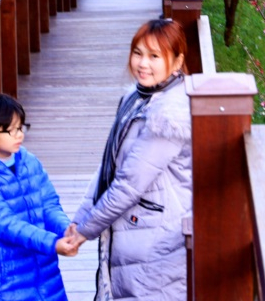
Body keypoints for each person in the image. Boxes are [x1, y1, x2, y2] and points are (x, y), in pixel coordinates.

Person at [68, 18, 192, 301]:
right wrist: (80, 219)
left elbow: (129, 184)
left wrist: (85, 231)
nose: (142, 63)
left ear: (176, 62)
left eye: (154, 56)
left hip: (157, 238)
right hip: (135, 229)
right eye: (138, 53)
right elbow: (108, 168)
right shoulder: (135, 98)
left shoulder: (169, 114)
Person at [0, 93, 79, 301]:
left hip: (43, 271)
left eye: (21, 127)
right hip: (4, 278)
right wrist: (52, 243)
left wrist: (65, 229)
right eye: (10, 130)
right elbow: (4, 224)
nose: (19, 135)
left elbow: (48, 204)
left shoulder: (28, 161)